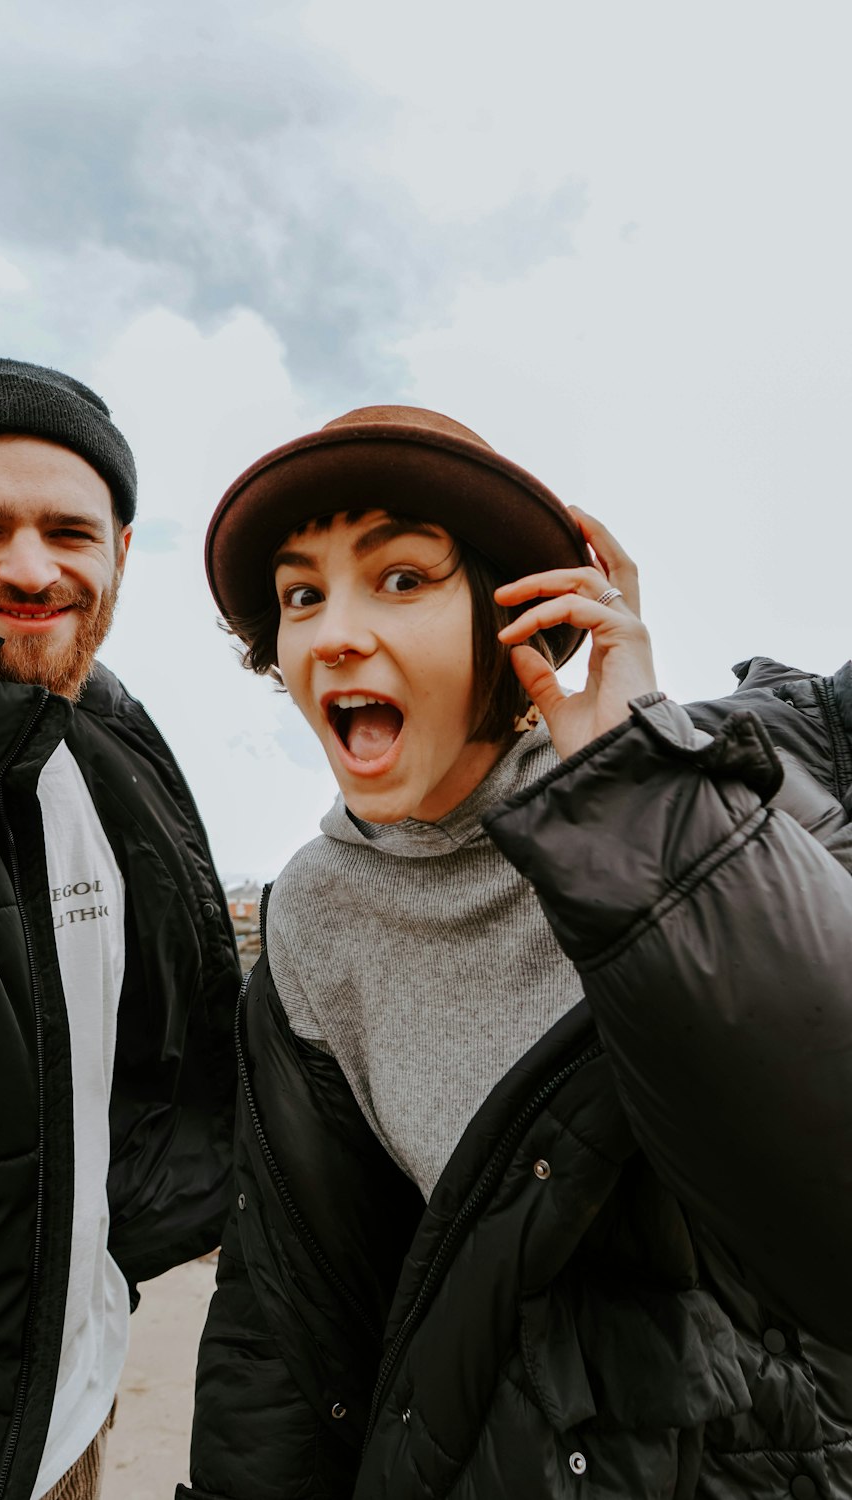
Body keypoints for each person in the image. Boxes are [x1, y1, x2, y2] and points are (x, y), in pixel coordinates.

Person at [184, 405, 852, 1499]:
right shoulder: (311, 912)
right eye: (301, 595)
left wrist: (642, 799)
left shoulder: (712, 801)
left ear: (518, 616)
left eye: (401, 578)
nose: (333, 634)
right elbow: (289, 1305)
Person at [0, 359, 240, 1500]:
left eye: (70, 530)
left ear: (121, 546)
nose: (31, 568)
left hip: (70, 1401)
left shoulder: (107, 749)